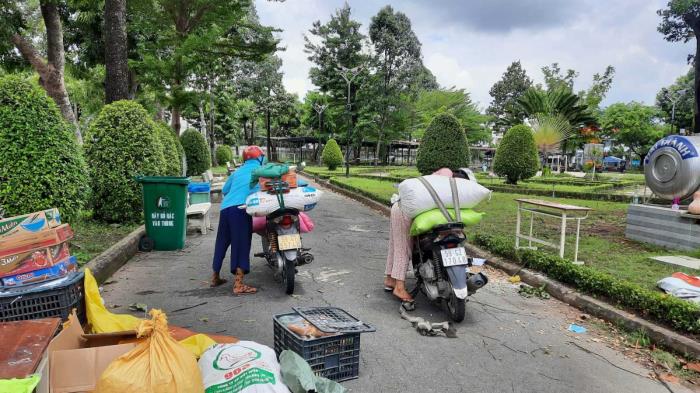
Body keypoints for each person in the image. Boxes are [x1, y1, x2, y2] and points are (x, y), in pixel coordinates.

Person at [384, 168, 455, 302]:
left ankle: (389, 279)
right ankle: (399, 287)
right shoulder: (447, 175)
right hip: (403, 210)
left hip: (401, 208)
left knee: (395, 247)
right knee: (403, 249)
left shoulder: (436, 179)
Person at [211, 145, 265, 295]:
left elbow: (225, 190)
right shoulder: (261, 171)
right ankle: (238, 285)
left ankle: (215, 277)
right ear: (259, 158)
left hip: (225, 208)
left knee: (222, 242)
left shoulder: (238, 171)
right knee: (241, 244)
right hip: (241, 209)